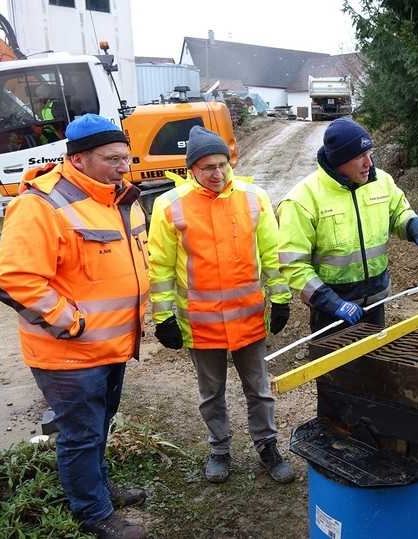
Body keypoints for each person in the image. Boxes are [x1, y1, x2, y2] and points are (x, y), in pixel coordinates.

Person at [0, 113, 149, 539]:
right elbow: (14, 281)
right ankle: (93, 512)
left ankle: (97, 488)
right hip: (70, 354)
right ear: (79, 160)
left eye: (126, 158)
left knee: (98, 427)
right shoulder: (40, 204)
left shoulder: (120, 198)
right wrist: (74, 324)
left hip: (111, 347)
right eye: (112, 159)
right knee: (80, 435)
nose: (123, 167)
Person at [147, 126, 295, 484]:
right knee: (210, 393)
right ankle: (219, 449)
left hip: (248, 320)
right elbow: (161, 266)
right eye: (207, 167)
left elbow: (272, 254)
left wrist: (281, 298)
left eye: (222, 165)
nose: (217, 174)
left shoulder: (253, 197)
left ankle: (267, 446)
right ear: (191, 169)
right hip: (201, 323)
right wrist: (164, 317)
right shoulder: (170, 206)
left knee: (259, 389)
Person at [277, 117, 418, 332]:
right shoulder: (302, 200)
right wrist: (333, 303)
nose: (369, 163)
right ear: (339, 161)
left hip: (375, 302)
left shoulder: (381, 182)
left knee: (374, 363)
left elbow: (399, 212)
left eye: (369, 153)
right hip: (331, 313)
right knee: (338, 366)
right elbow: (294, 265)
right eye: (360, 156)